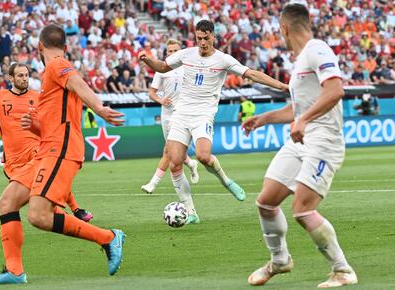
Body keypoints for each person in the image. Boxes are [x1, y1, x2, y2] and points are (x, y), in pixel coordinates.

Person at [0, 24, 126, 286]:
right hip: (49, 150)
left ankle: (108, 237)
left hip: (60, 150)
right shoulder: (51, 76)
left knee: (38, 216)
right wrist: (34, 125)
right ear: (66, 45)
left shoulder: (56, 65)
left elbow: (77, 83)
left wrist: (100, 108)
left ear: (39, 47)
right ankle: (14, 271)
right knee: (7, 203)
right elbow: (60, 113)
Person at [242, 4, 357, 288]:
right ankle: (280, 260)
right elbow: (299, 107)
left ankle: (343, 270)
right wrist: (265, 119)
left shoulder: (317, 49)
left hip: (323, 140)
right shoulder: (302, 60)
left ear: (284, 28)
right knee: (266, 202)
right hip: (302, 139)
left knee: (303, 209)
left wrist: (303, 119)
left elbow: (335, 91)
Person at [139, 20, 288, 224]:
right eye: (199, 38)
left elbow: (251, 74)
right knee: (174, 163)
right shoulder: (186, 54)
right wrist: (148, 60)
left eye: (206, 38)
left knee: (203, 156)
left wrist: (281, 86)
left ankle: (226, 181)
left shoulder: (223, 59)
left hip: (203, 114)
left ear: (213, 36)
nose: (202, 42)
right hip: (182, 113)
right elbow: (163, 67)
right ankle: (191, 212)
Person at [141, 39, 199, 195]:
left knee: (167, 151)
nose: (173, 54)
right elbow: (151, 93)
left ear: (181, 52)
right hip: (166, 114)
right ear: (166, 53)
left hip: (181, 115)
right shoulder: (162, 70)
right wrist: (161, 100)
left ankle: (153, 184)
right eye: (170, 51)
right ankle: (191, 163)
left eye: (175, 51)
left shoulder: (188, 68)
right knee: (175, 152)